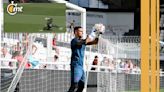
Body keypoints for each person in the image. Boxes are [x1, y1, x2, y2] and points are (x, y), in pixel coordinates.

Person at [68, 26, 102, 92]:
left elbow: (95, 42)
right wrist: (93, 33)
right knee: (74, 85)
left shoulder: (83, 41)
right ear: (75, 32)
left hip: (81, 66)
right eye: (80, 31)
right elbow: (85, 41)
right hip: (76, 65)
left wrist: (98, 34)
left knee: (82, 86)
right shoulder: (74, 41)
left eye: (82, 31)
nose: (82, 32)